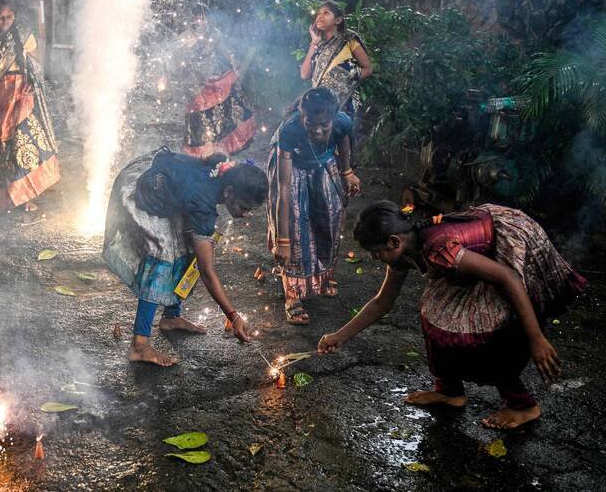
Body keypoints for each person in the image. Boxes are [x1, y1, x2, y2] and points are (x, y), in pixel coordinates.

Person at [318, 201, 587, 429]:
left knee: (482, 328)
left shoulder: (439, 248)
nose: (376, 259)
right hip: (474, 263)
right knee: (434, 310)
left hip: (507, 248)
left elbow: (508, 277)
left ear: (394, 241)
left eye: (377, 252)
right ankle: (449, 391)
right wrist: (339, 336)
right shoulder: (404, 251)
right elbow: (382, 302)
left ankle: (522, 404)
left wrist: (536, 338)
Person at [103, 148, 267, 366]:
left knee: (187, 248)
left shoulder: (222, 177)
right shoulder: (203, 200)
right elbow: (207, 272)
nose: (245, 214)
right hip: (145, 192)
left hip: (171, 191)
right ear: (228, 192)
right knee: (161, 261)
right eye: (244, 207)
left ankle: (171, 317)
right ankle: (139, 344)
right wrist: (233, 315)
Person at [268, 88, 361, 324]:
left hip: (324, 164)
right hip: (292, 170)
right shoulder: (289, 131)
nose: (318, 130)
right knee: (297, 226)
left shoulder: (341, 122)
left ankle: (322, 276)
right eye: (311, 123)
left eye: (324, 125)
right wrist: (283, 242)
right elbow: (284, 190)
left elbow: (343, 141)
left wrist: (347, 171)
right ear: (302, 117)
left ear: (333, 118)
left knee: (330, 218)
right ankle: (293, 295)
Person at [0, 0, 59, 212]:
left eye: (9, 17)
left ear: (14, 17)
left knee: (23, 140)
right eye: (0, 18)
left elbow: (37, 64)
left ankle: (25, 195)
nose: (5, 22)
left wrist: (32, 84)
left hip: (22, 94)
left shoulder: (22, 36)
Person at [172, 9, 256, 158]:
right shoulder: (185, 37)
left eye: (203, 19)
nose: (201, 23)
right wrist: (182, 74)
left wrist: (233, 61)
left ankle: (223, 146)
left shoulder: (215, 33)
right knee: (200, 116)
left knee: (222, 109)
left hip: (214, 76)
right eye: (198, 20)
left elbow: (224, 50)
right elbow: (179, 61)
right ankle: (202, 151)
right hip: (195, 81)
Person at [300, 1, 371, 123]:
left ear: (338, 20)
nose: (320, 16)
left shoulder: (348, 39)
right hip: (318, 106)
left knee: (341, 135)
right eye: (319, 14)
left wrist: (344, 79)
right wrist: (314, 43)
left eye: (326, 13)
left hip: (343, 104)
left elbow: (368, 69)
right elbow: (304, 74)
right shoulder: (319, 45)